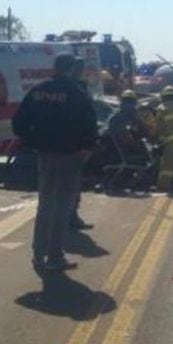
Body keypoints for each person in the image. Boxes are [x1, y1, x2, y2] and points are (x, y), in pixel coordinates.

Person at [12, 54, 98, 274]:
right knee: (61, 208)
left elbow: (19, 122)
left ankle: (38, 255)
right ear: (70, 69)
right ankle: (55, 257)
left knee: (45, 205)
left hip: (44, 155)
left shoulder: (39, 91)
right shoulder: (76, 93)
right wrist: (86, 150)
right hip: (69, 157)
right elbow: (89, 124)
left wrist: (33, 142)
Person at [68, 58, 94, 232]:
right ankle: (70, 218)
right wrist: (89, 144)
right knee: (72, 185)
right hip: (73, 147)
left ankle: (63, 219)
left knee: (52, 189)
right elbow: (88, 119)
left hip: (50, 148)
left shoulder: (47, 89)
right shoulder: (78, 90)